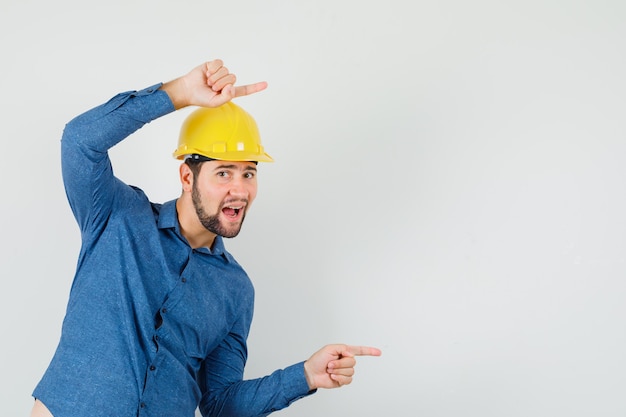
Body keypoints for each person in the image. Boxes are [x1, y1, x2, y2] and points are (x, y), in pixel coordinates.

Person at [30, 59, 381, 417]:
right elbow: (80, 140)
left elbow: (219, 403)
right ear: (187, 176)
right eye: (224, 173)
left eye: (248, 173)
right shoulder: (117, 216)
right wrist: (179, 93)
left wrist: (305, 375)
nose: (239, 189)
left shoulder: (236, 289)